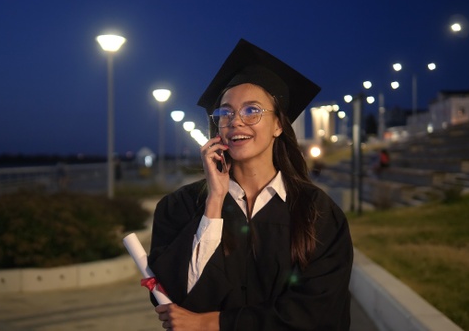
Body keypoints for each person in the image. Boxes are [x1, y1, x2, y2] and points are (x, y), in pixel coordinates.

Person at [148, 39, 353, 330]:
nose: (235, 121)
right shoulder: (179, 208)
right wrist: (214, 204)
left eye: (251, 111)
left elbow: (318, 311)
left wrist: (212, 323)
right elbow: (173, 300)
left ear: (279, 125)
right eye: (226, 113)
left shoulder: (317, 213)